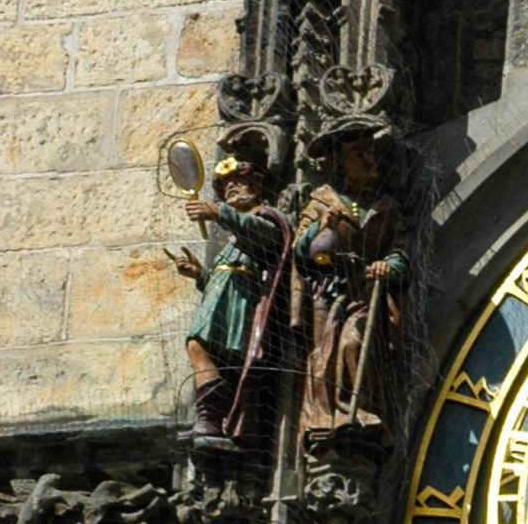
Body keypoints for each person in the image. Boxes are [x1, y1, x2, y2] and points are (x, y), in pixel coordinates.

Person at [291, 127, 407, 447]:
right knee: (325, 352)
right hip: (328, 290)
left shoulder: (386, 207)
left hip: (364, 289)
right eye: (360, 154)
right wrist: (320, 226)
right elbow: (300, 253)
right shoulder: (322, 201)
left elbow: (401, 253)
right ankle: (326, 418)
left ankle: (360, 410)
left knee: (354, 341)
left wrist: (388, 266)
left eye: (370, 153)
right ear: (341, 163)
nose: (369, 160)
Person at [169, 149, 292, 446]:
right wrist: (199, 274)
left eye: (239, 181)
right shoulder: (234, 234)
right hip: (223, 299)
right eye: (226, 186)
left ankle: (211, 418)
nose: (231, 188)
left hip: (243, 303)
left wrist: (219, 213)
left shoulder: (265, 217)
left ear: (257, 186)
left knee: (201, 347)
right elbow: (223, 275)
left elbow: (269, 238)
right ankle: (211, 420)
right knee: (206, 351)